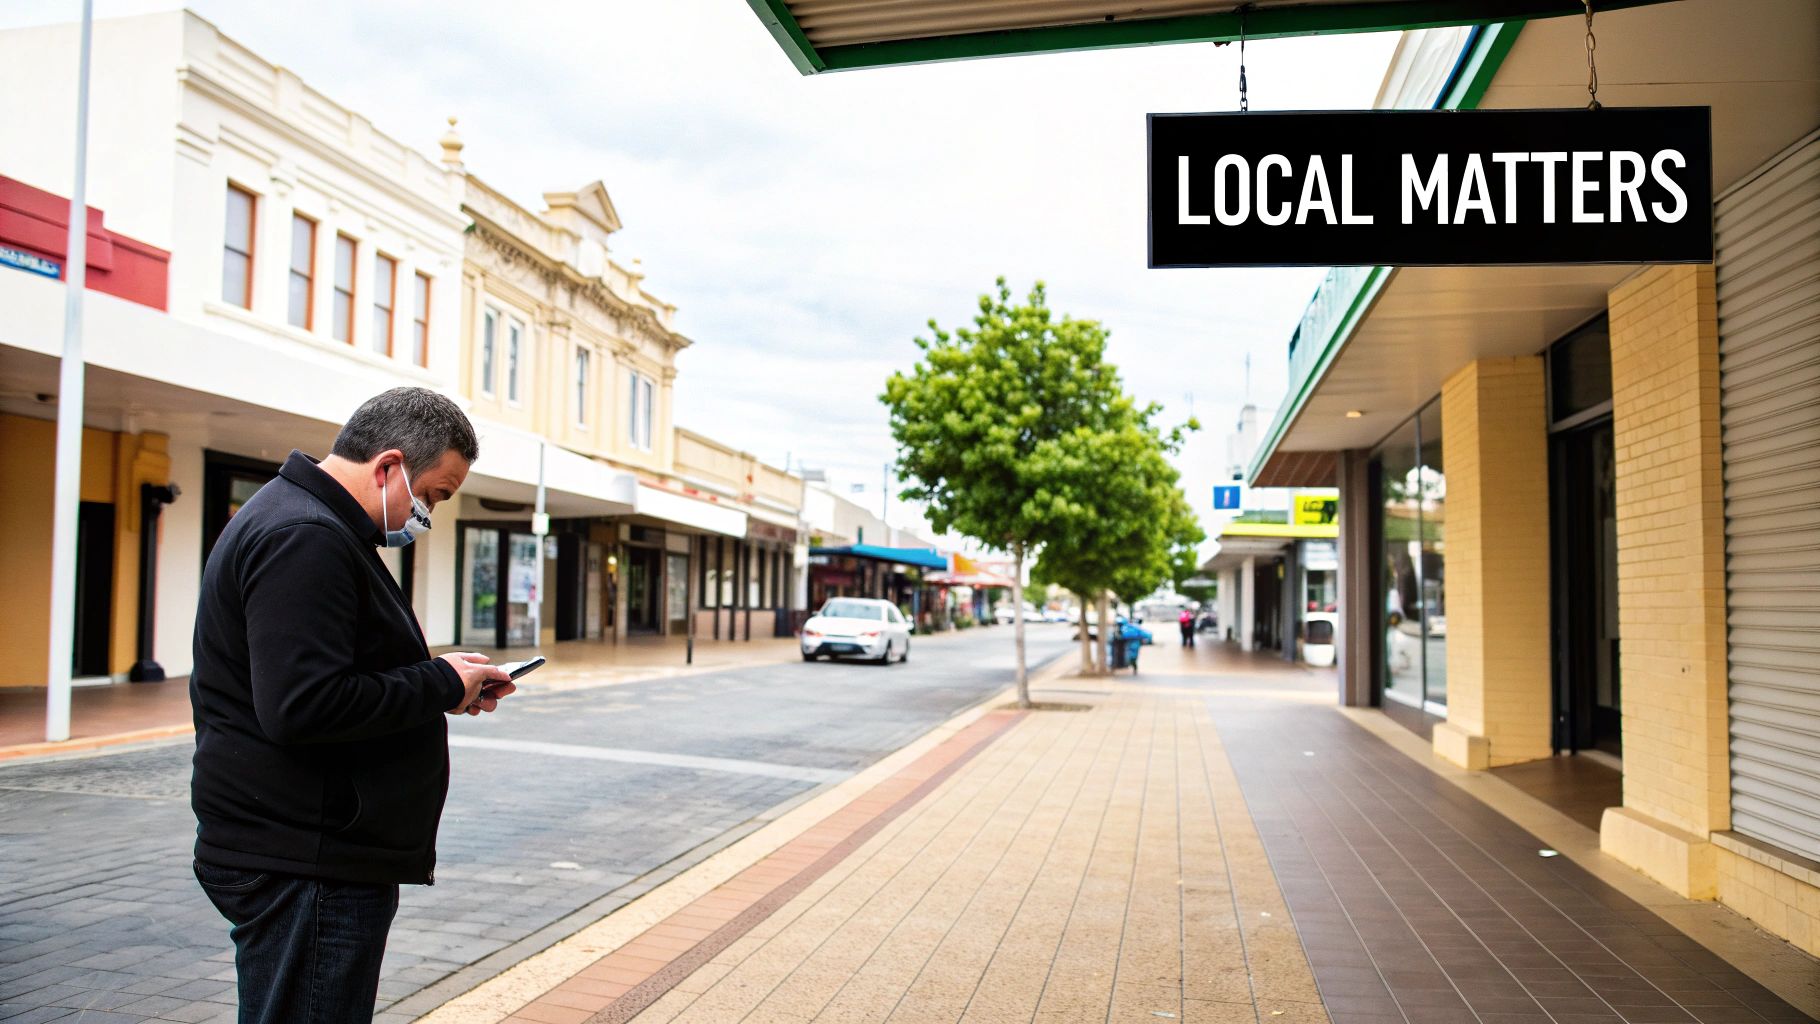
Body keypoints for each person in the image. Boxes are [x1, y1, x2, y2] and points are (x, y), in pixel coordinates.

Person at [189, 387, 516, 1024]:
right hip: (306, 857)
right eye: (434, 495)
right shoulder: (305, 537)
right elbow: (305, 705)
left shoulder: (311, 524)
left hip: (303, 845)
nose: (429, 513)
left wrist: (442, 679)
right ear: (390, 466)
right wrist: (440, 684)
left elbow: (325, 674)